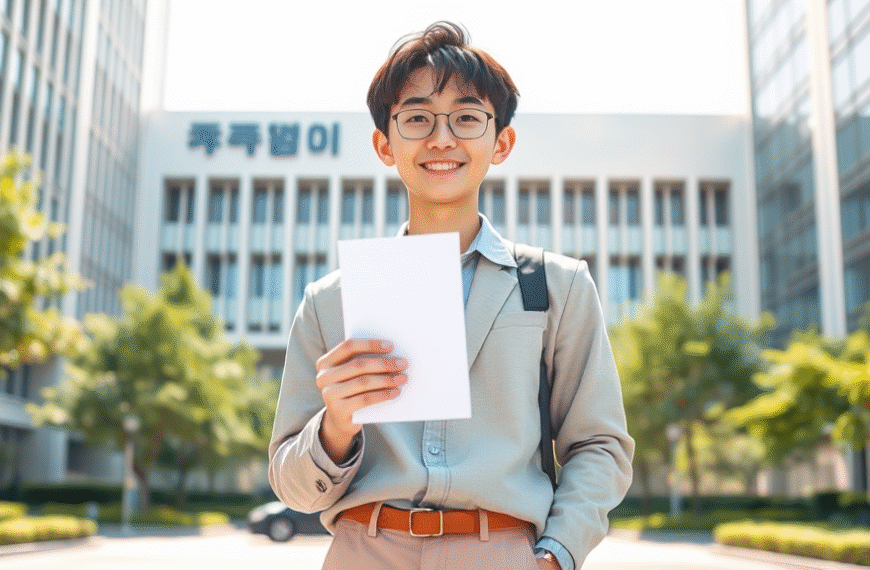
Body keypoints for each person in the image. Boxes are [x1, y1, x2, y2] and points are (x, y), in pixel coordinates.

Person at [269, 22, 634, 570]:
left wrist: (555, 556)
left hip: (503, 553)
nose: (442, 139)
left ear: (501, 142)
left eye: (466, 118)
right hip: (364, 551)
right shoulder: (330, 301)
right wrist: (335, 427)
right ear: (384, 144)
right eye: (417, 118)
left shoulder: (555, 286)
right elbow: (292, 486)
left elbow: (599, 446)